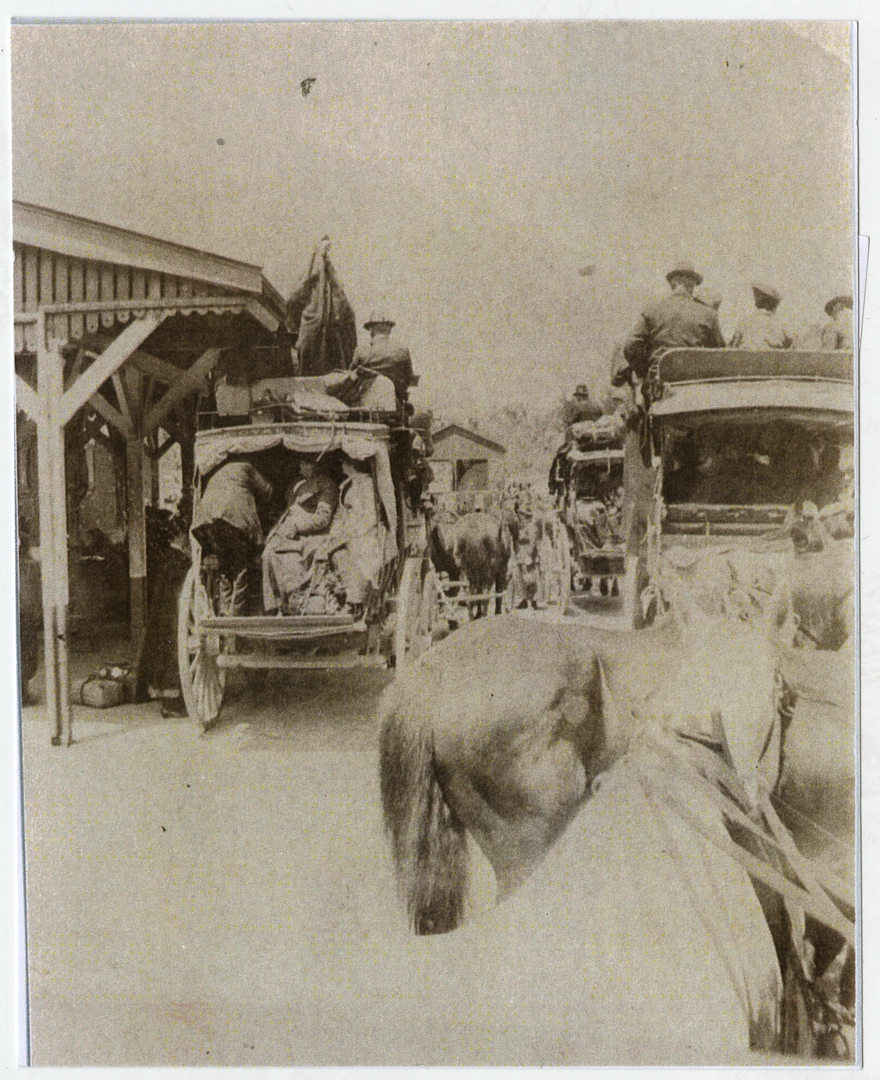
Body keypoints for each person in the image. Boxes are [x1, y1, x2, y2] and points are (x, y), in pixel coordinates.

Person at [617, 262, 725, 385]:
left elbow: (630, 346)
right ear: (692, 284)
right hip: (695, 384)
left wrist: (645, 370)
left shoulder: (652, 309)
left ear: (671, 283)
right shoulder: (708, 313)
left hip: (659, 383)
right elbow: (719, 353)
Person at [262, 456, 341, 614]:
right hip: (289, 533)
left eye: (304, 463)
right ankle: (276, 605)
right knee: (268, 552)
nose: (300, 467)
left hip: (311, 535)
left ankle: (298, 603)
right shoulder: (296, 485)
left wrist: (297, 526)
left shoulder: (326, 485)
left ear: (314, 465)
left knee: (285, 555)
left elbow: (322, 519)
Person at [191, 459, 274, 572]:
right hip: (230, 518)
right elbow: (267, 490)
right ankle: (238, 587)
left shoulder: (224, 470)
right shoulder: (249, 467)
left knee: (223, 564)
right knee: (241, 565)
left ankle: (225, 587)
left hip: (205, 519)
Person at [350, 312, 417, 403]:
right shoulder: (402, 350)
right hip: (395, 404)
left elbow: (351, 377)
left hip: (366, 403)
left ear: (371, 330)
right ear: (389, 329)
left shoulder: (361, 350)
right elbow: (409, 378)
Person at [729, 284, 793, 350]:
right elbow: (790, 339)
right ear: (773, 304)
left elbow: (734, 345)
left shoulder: (744, 320)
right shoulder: (779, 321)